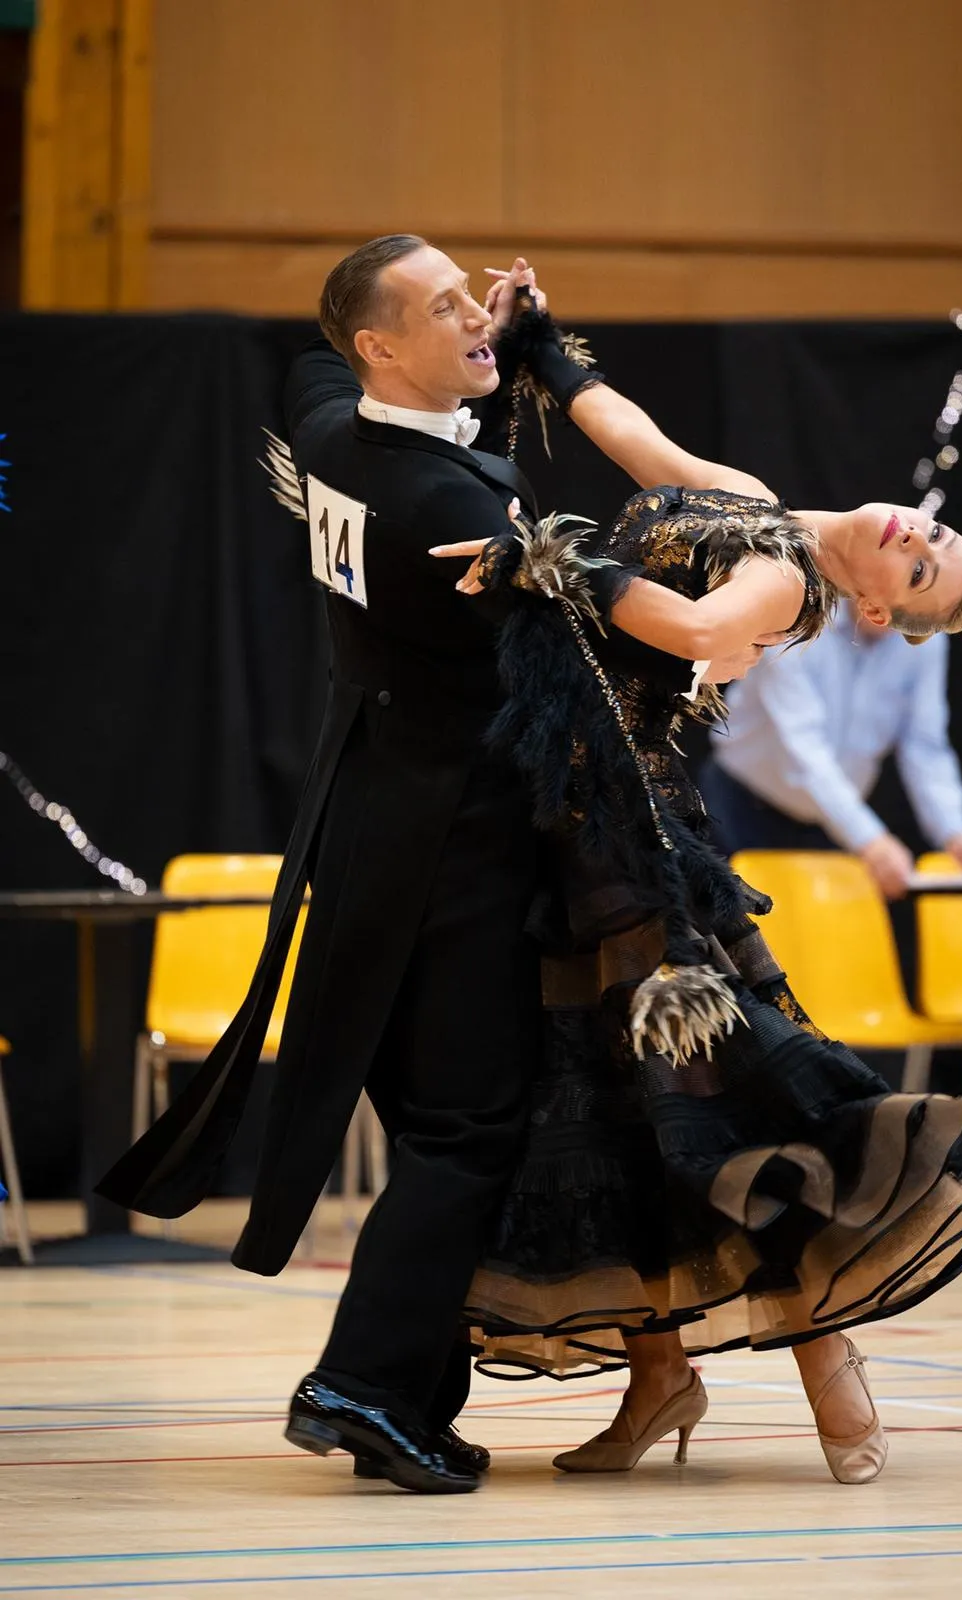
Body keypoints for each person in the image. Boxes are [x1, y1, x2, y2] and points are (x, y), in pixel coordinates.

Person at [435, 303, 962, 1485]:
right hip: (570, 808)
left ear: (878, 608)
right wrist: (543, 345)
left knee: (703, 1098)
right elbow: (643, 445)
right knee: (613, 1108)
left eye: (921, 567)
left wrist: (554, 561)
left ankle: (827, 1358)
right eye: (934, 534)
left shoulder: (787, 582)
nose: (916, 533)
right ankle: (659, 1376)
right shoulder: (756, 503)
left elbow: (701, 626)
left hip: (629, 834)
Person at [95, 238, 614, 1495]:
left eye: (466, 296)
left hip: (374, 821)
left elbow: (303, 370)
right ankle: (363, 1387)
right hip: (453, 837)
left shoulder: (336, 422)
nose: (473, 319)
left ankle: (403, 1396)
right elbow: (595, 641)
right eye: (442, 309)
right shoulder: (448, 507)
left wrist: (484, 341)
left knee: (442, 1115)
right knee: (468, 1123)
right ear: (381, 347)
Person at [693, 599, 962, 899]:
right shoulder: (797, 613)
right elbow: (803, 749)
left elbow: (924, 745)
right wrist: (870, 840)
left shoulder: (925, 640)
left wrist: (955, 832)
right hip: (740, 805)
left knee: (820, 946)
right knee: (730, 939)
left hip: (832, 824)